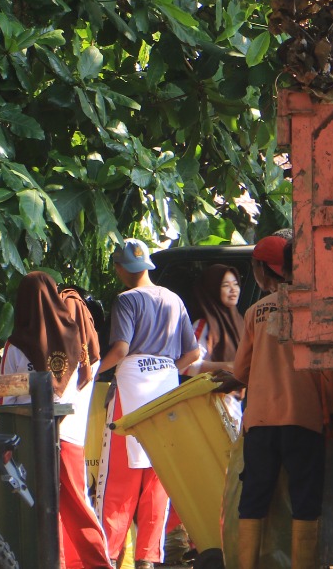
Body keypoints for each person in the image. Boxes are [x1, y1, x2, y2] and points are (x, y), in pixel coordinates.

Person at [97, 240, 202, 569]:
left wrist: (89, 373)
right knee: (159, 476)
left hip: (132, 390)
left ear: (121, 269)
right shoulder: (174, 299)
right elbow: (193, 353)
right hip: (167, 391)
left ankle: (111, 555)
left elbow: (120, 350)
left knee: (121, 479)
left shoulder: (127, 300)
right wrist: (169, 369)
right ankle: (147, 559)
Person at [230, 232, 331, 569]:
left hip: (260, 422)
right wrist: (327, 414)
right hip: (305, 418)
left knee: (254, 499)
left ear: (263, 270)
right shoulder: (312, 308)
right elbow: (327, 371)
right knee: (306, 500)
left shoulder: (254, 313)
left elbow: (240, 371)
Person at [0, 272, 112, 569]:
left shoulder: (16, 345)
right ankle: (97, 563)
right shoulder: (77, 338)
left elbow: (1, 397)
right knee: (76, 502)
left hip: (28, 435)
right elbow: (85, 379)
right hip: (69, 434)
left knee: (39, 506)